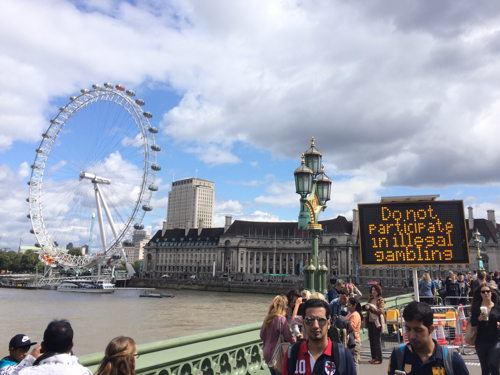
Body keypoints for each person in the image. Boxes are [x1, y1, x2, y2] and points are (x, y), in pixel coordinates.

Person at [387, 301, 469, 375]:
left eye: (418, 330)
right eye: (408, 329)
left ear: (431, 329)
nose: (412, 336)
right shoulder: (398, 355)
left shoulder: (451, 360)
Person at [282, 299, 355, 375]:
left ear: (329, 323)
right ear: (303, 323)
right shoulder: (292, 354)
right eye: (309, 320)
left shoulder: (343, 355)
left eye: (321, 320)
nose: (315, 326)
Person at [14, 319, 91, 375]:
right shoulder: (83, 372)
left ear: (43, 346)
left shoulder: (26, 372)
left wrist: (30, 358)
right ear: (71, 345)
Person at [260, 295, 295, 375]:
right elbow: (288, 337)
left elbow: (262, 335)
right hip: (278, 353)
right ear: (284, 307)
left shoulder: (267, 319)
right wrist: (296, 340)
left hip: (267, 353)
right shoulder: (281, 319)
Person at [470, 284, 500, 375]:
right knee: (485, 368)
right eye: (483, 292)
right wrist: (479, 319)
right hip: (481, 341)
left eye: (488, 291)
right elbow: (473, 323)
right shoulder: (476, 308)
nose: (486, 293)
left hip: (496, 340)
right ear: (480, 294)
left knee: (493, 364)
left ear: (491, 293)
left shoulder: (497, 307)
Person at [364, 284, 385, 364]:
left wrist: (371, 308)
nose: (373, 292)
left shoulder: (380, 300)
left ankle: (379, 359)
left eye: (375, 290)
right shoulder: (370, 299)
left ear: (378, 291)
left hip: (377, 323)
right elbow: (367, 310)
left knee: (377, 341)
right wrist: (366, 307)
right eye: (372, 290)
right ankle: (373, 357)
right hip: (370, 322)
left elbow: (380, 311)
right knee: (372, 341)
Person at [346, 297, 362, 373]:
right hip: (352, 341)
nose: (347, 306)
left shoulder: (355, 315)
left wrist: (344, 321)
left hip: (354, 341)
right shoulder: (351, 314)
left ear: (354, 305)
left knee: (354, 362)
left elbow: (352, 326)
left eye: (349, 305)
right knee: (352, 362)